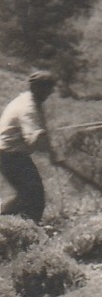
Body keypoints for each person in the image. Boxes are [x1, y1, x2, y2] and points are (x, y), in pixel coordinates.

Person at [0, 72, 56, 223]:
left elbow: (39, 133)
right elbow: (32, 139)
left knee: (28, 195)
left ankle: (15, 225)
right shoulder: (28, 107)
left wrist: (52, 153)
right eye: (48, 88)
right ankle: (24, 228)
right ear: (37, 88)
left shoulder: (30, 99)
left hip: (11, 154)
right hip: (10, 155)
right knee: (34, 197)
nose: (51, 92)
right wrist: (43, 142)